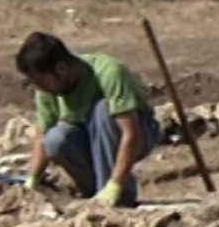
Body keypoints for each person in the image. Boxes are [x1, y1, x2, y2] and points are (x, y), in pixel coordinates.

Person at [16, 31, 159, 208]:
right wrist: (32, 180)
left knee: (102, 111)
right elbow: (42, 138)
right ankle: (94, 194)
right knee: (55, 140)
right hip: (89, 139)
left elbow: (131, 133)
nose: (39, 88)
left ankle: (118, 197)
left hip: (138, 133)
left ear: (61, 69)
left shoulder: (109, 72)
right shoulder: (46, 91)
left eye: (41, 81)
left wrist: (115, 185)